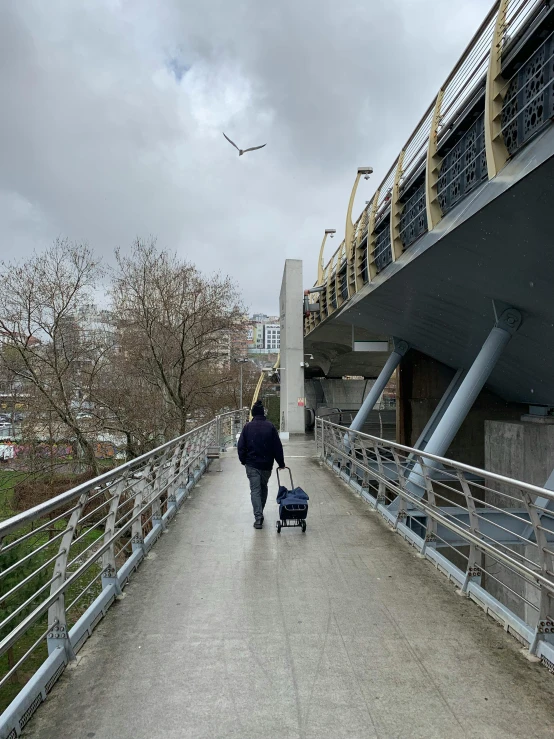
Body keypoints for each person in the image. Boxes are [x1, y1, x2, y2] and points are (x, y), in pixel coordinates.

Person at [237, 400, 285, 529]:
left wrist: (243, 460)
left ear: (253, 414)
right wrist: (281, 463)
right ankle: (260, 511)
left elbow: (241, 446)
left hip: (252, 464)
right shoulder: (270, 427)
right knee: (263, 488)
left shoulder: (247, 427)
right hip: (266, 464)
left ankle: (258, 518)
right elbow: (277, 447)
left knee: (255, 490)